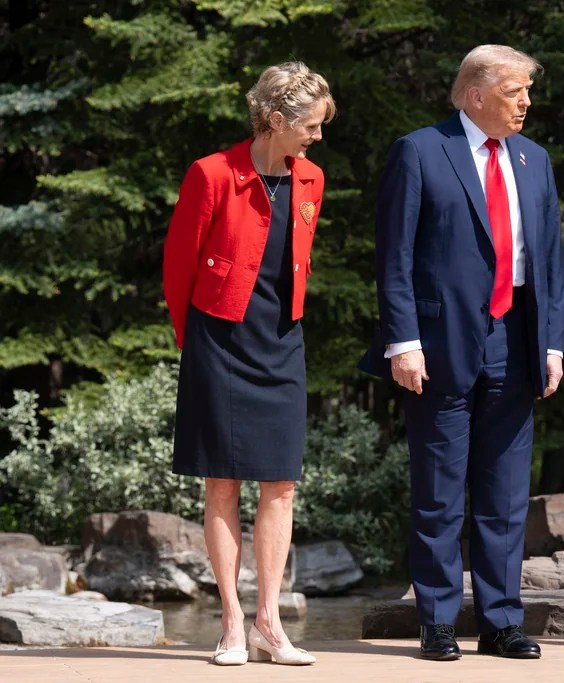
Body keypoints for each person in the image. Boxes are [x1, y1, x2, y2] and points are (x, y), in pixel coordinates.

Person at [359, 45, 564, 661]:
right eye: (516, 90)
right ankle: (438, 621)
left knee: (505, 495)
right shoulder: (421, 150)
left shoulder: (535, 159)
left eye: (529, 90)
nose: (527, 101)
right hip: (437, 344)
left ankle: (502, 622)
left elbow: (549, 264)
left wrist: (553, 343)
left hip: (517, 339)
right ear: (476, 94)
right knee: (439, 492)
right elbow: (393, 256)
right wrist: (403, 341)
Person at [163, 61, 335, 666]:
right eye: (309, 125)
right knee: (222, 484)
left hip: (283, 341)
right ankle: (232, 624)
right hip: (219, 340)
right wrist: (197, 348)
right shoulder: (211, 174)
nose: (317, 136)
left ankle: (270, 622)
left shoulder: (311, 178)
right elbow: (178, 269)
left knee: (281, 484)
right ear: (274, 119)